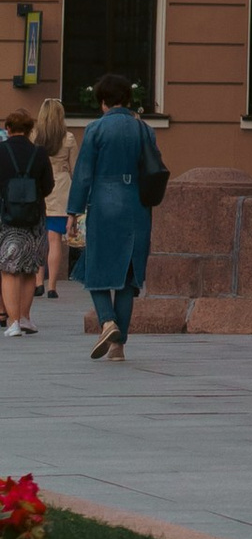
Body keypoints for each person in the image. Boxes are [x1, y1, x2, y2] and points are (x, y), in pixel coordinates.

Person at [65, 74, 160, 359]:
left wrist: (73, 212)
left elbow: (82, 175)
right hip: (138, 206)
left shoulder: (96, 129)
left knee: (95, 269)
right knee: (128, 278)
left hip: (105, 204)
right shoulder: (145, 130)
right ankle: (118, 347)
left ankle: (107, 322)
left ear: (102, 102)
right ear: (128, 100)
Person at [0, 115, 50, 338]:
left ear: (8, 128)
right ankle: (26, 317)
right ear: (30, 130)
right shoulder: (39, 153)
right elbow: (48, 185)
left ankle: (13, 322)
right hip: (34, 217)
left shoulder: (1, 151)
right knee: (30, 267)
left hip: (6, 217)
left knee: (9, 270)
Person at [31, 101, 69, 307]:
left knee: (39, 237)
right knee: (55, 239)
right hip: (61, 190)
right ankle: (53, 286)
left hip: (39, 190)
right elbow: (75, 166)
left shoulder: (34, 137)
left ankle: (38, 281)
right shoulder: (68, 138)